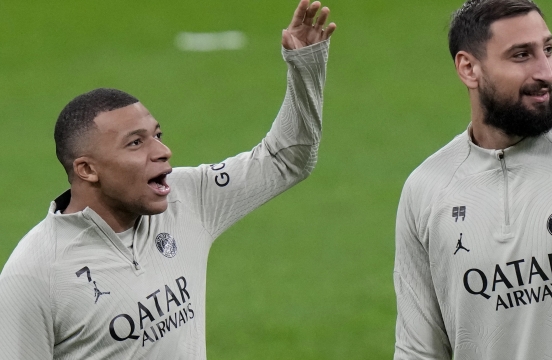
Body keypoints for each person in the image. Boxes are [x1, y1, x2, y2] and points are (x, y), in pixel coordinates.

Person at [0, 0, 336, 358]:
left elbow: (287, 159)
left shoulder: (186, 199)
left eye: (156, 134)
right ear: (87, 169)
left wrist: (306, 66)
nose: (162, 151)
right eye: (135, 143)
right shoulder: (34, 275)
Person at [393, 0, 552, 359]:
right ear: (469, 68)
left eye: (548, 50)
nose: (545, 72)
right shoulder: (427, 189)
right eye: (521, 55)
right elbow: (418, 349)